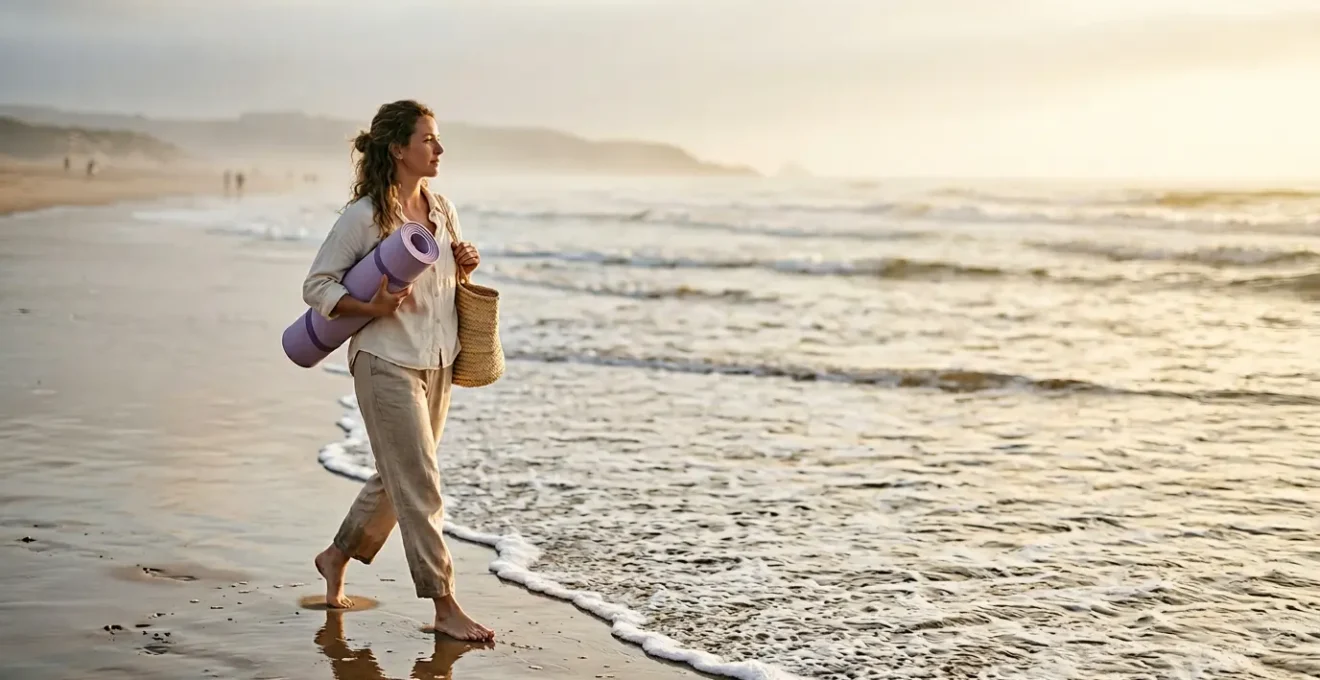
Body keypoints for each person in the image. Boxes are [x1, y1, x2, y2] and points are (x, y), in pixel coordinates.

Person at [301, 100, 492, 642]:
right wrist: (371, 309)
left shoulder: (442, 208)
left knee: (398, 476)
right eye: (428, 139)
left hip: (438, 359)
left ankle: (336, 556)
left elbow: (440, 285)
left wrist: (465, 264)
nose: (438, 148)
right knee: (421, 482)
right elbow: (316, 286)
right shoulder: (364, 216)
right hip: (384, 361)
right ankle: (445, 605)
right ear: (398, 149)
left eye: (437, 139)